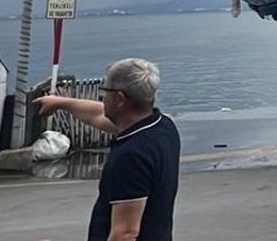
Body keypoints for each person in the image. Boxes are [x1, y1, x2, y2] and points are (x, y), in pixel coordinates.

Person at [35, 58, 180, 241]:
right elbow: (98, 114)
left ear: (120, 98)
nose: (102, 96)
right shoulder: (163, 127)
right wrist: (61, 103)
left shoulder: (131, 156)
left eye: (105, 89)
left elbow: (126, 233)